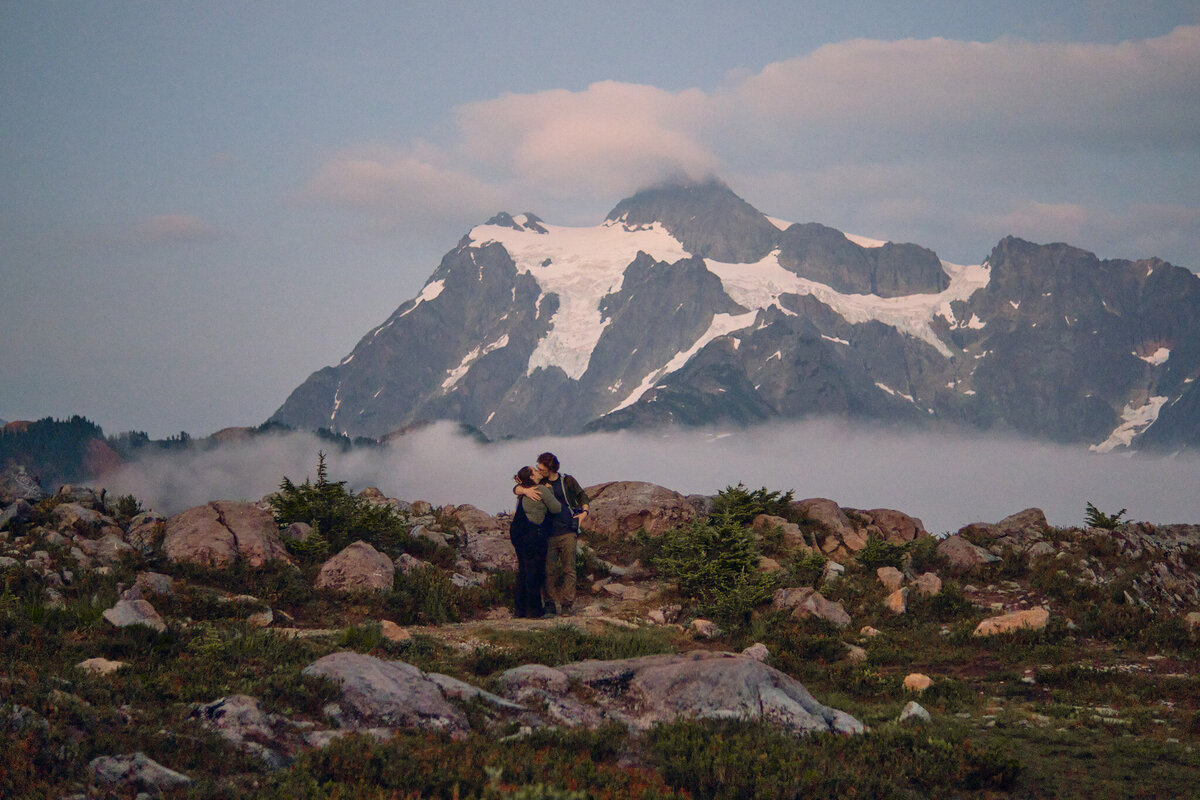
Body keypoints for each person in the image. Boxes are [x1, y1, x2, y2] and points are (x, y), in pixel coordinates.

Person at [535, 452, 590, 616]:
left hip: (567, 530)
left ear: (550, 468)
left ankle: (567, 604)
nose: (539, 471)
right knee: (548, 570)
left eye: (541, 468)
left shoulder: (567, 480)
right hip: (548, 532)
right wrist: (521, 488)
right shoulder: (539, 482)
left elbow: (582, 496)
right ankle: (550, 604)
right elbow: (517, 481)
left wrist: (584, 513)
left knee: (569, 569)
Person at [508, 466, 560, 619]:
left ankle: (520, 610)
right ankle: (534, 610)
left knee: (523, 570)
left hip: (517, 532)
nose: (538, 472)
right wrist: (549, 492)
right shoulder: (542, 489)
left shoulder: (522, 490)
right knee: (534, 571)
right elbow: (556, 508)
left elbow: (515, 488)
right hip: (532, 534)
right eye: (535, 471)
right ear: (531, 476)